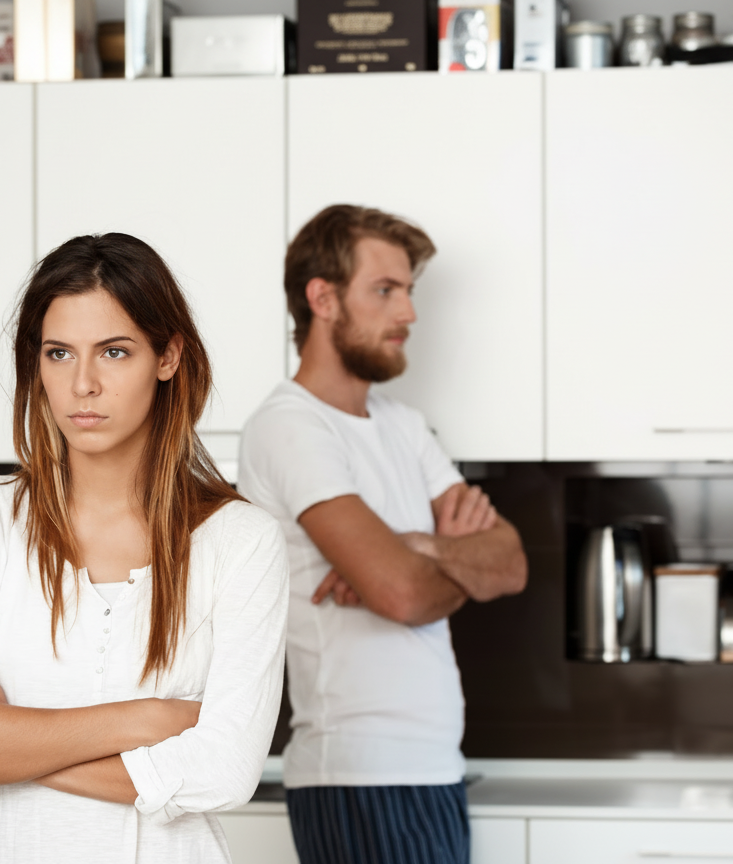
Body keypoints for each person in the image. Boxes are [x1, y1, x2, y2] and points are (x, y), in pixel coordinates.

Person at [0, 233, 289, 864]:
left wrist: (8, 737)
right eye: (59, 353)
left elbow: (224, 772)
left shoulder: (241, 541)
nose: (82, 384)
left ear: (168, 357)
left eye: (114, 351)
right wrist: (147, 719)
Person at [238, 205, 528, 864]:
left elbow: (511, 563)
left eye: (409, 291)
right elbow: (401, 595)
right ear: (323, 299)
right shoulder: (289, 426)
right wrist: (440, 566)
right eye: (385, 290)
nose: (410, 313)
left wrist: (417, 545)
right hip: (357, 774)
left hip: (433, 767)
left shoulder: (403, 425)